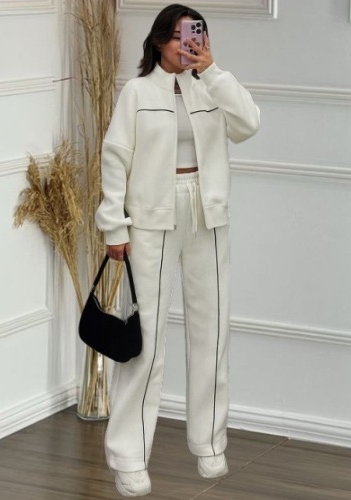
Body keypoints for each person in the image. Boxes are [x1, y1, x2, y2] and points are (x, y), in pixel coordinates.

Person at [95, 3, 260, 497]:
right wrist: (113, 226)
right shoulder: (137, 92)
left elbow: (249, 124)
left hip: (207, 214)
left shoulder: (211, 86)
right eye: (179, 38)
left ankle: (210, 443)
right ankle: (128, 455)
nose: (188, 46)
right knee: (145, 340)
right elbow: (115, 158)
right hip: (151, 217)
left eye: (196, 37)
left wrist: (213, 70)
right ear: (159, 40)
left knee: (212, 333)